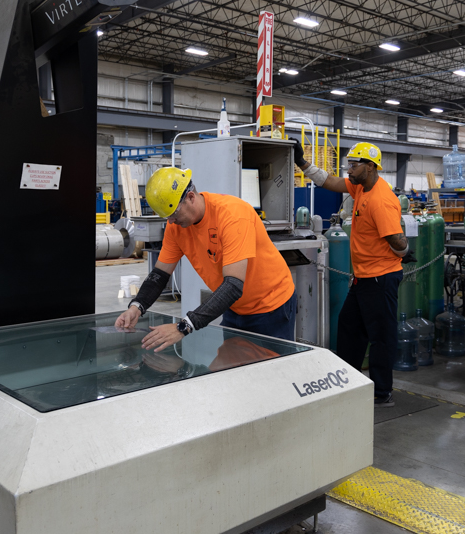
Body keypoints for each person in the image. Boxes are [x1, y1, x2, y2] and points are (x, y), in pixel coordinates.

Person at [115, 167, 297, 352]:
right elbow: (160, 274)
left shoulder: (233, 215)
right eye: (167, 217)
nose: (171, 222)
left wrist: (183, 327)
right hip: (234, 307)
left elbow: (233, 286)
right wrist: (137, 306)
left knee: (273, 366)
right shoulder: (176, 227)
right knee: (234, 366)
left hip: (271, 306)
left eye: (174, 214)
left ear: (191, 197)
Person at [294, 140, 410, 408]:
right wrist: (302, 163)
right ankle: (349, 382)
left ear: (370, 167)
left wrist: (404, 251)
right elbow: (330, 182)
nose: (349, 170)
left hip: (380, 278)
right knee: (349, 328)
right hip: (363, 278)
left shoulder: (380, 200)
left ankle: (382, 392)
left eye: (354, 165)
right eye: (349, 165)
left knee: (381, 336)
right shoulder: (361, 187)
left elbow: (396, 238)